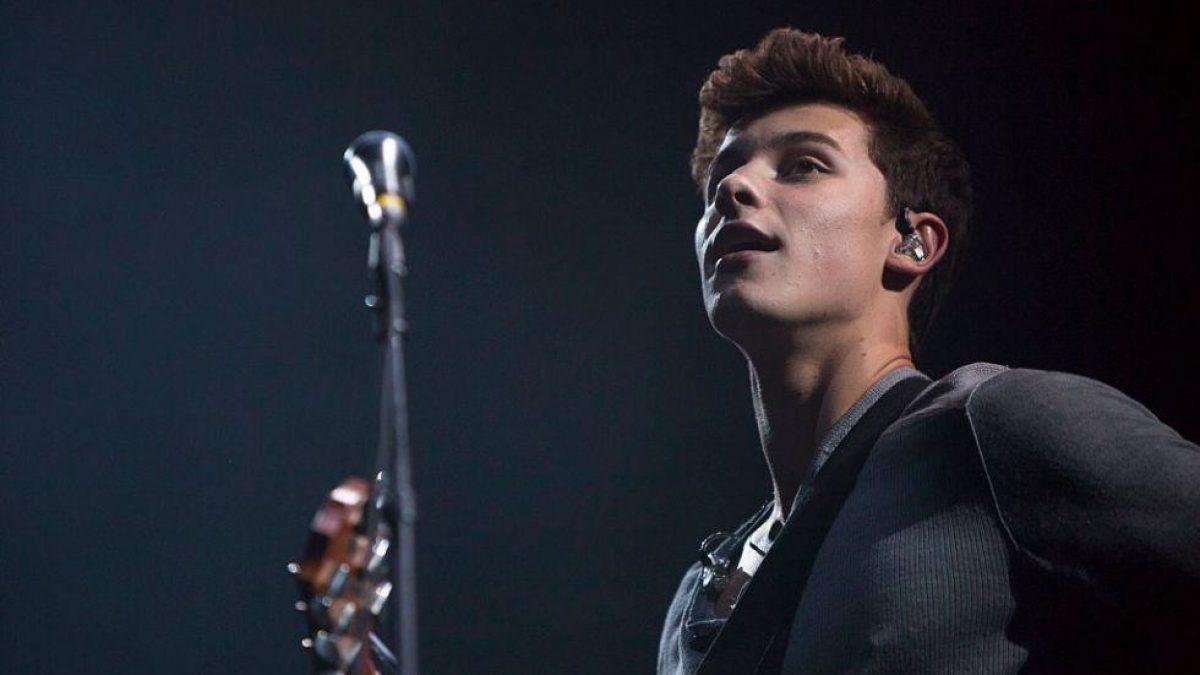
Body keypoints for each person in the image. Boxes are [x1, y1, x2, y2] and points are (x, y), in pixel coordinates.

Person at [658, 28, 1200, 674]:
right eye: (723, 175)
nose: (734, 188)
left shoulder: (998, 426)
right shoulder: (698, 595)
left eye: (803, 165)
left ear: (912, 241)